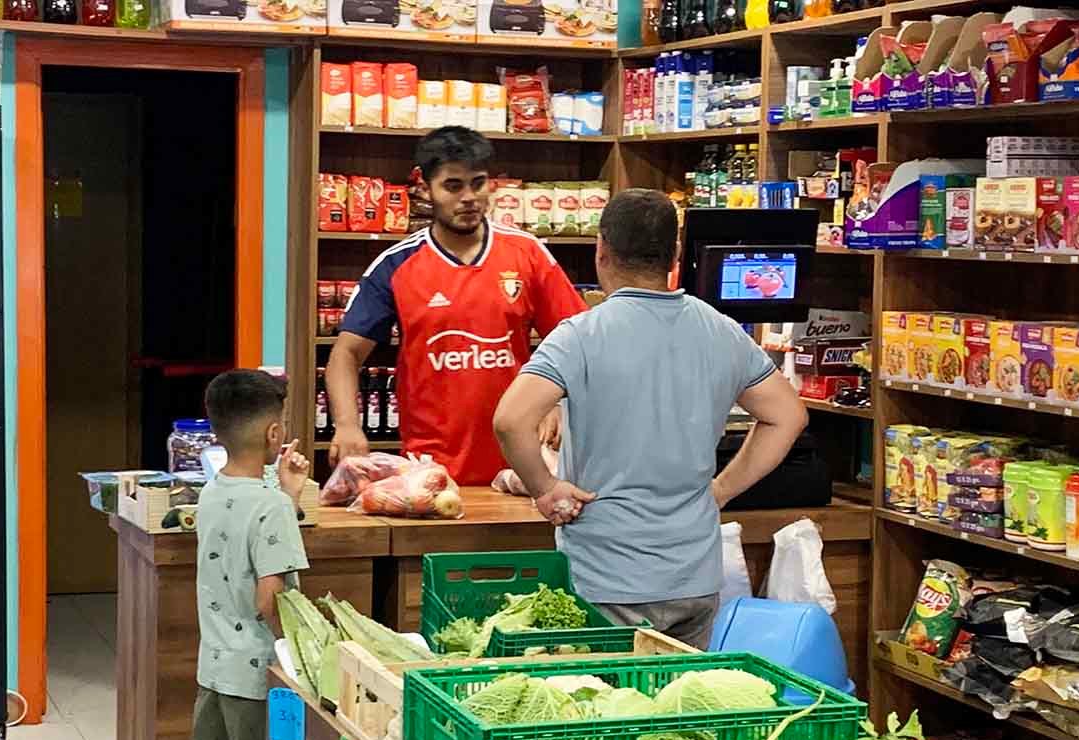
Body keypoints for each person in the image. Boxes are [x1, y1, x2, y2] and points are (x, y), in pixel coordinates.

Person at [491, 188, 808, 648]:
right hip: (694, 580)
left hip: (606, 580)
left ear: (601, 250)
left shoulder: (581, 334)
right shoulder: (721, 330)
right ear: (675, 255)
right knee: (680, 694)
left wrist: (545, 489)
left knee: (605, 695)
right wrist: (721, 490)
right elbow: (788, 416)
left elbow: (511, 420)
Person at [134, 369, 310, 740]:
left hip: (214, 669)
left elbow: (244, 538)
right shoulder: (272, 507)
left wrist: (285, 491)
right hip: (257, 678)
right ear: (274, 433)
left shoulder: (212, 492)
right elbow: (270, 597)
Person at [329, 126, 587, 485]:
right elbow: (345, 354)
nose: (468, 197)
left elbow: (577, 341)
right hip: (430, 470)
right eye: (453, 186)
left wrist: (555, 401)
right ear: (424, 188)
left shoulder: (527, 253)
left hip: (522, 467)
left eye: (477, 184)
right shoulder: (396, 265)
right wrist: (346, 424)